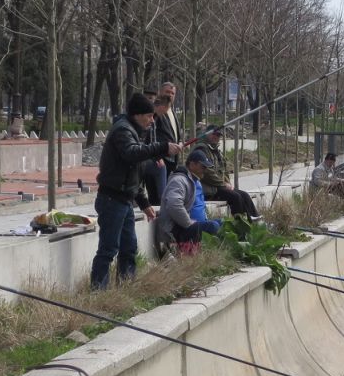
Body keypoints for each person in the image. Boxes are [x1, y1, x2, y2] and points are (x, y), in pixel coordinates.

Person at [91, 92, 182, 289]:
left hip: (125, 201)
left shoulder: (135, 131)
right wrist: (163, 147)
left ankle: (127, 288)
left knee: (129, 248)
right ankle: (97, 292)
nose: (152, 120)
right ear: (137, 115)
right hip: (111, 200)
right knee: (108, 249)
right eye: (149, 116)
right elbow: (132, 154)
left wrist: (144, 203)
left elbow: (134, 173)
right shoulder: (122, 131)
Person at [157, 150, 221, 256]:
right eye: (202, 167)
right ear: (192, 164)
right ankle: (197, 254)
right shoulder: (179, 181)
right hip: (173, 231)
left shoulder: (192, 180)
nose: (204, 170)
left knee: (221, 223)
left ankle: (215, 254)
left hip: (182, 226)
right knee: (213, 226)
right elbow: (173, 205)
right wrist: (189, 223)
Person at [199, 125, 260, 220]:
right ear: (208, 134)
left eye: (219, 135)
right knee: (236, 197)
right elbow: (207, 172)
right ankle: (239, 225)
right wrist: (223, 184)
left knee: (244, 195)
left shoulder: (215, 151)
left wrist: (228, 184)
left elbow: (224, 171)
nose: (216, 137)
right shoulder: (202, 150)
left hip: (218, 187)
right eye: (214, 134)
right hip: (209, 190)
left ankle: (254, 221)